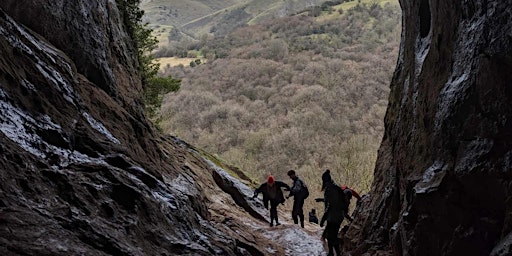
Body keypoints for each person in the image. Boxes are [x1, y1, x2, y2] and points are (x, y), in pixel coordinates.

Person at [319, 169, 347, 256]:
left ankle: (336, 254)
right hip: (338, 215)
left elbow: (330, 205)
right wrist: (321, 200)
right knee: (331, 236)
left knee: (332, 236)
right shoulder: (335, 187)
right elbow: (335, 201)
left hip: (334, 216)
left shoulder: (329, 189)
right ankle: (331, 253)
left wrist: (323, 218)